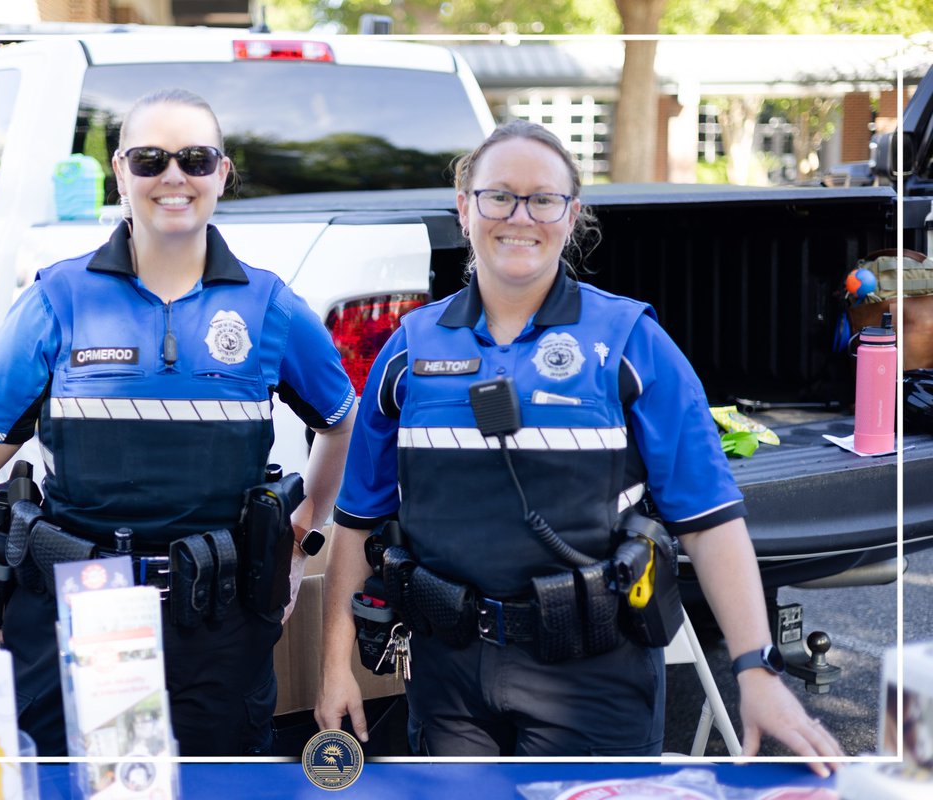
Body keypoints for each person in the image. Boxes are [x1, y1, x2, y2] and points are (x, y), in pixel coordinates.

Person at [314, 120, 844, 771]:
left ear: (571, 216)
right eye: (498, 195)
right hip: (448, 681)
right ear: (464, 207)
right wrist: (334, 665)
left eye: (543, 199)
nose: (520, 215)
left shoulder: (631, 342)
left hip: (594, 680)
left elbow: (710, 521)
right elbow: (355, 522)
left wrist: (756, 672)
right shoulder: (407, 350)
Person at [0, 88, 356, 757]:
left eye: (195, 157)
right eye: (151, 159)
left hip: (218, 627)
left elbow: (341, 424)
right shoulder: (55, 301)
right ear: (121, 172)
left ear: (222, 172)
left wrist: (302, 536)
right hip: (76, 613)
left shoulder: (271, 306)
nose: (174, 176)